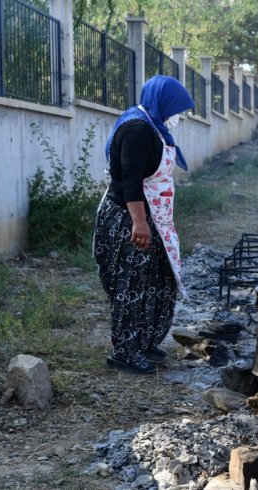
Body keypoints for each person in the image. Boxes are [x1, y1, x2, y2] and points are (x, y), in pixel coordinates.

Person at [94, 75, 195, 374]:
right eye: (177, 107)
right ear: (164, 102)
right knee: (133, 286)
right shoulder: (138, 128)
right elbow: (129, 178)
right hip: (129, 218)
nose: (179, 115)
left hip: (154, 219)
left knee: (159, 282)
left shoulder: (156, 127)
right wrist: (139, 223)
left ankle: (145, 342)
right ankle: (125, 351)